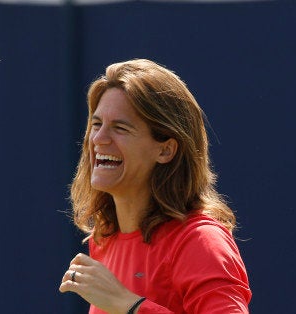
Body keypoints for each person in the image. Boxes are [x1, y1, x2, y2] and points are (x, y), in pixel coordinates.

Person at [59, 59, 251, 313]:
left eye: (120, 128)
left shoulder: (200, 241)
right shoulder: (104, 240)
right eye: (96, 124)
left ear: (166, 150)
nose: (99, 139)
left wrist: (129, 306)